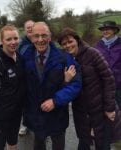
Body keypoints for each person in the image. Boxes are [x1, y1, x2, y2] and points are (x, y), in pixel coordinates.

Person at [58, 27, 121, 150]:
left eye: (70, 41)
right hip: (81, 111)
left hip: (100, 108)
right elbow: (66, 90)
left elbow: (108, 79)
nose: (68, 45)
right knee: (84, 141)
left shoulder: (93, 53)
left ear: (77, 40)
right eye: (64, 44)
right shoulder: (66, 60)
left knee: (102, 143)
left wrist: (109, 108)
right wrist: (66, 80)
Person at [22, 22, 82, 150]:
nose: (40, 40)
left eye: (44, 35)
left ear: (50, 37)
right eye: (36, 36)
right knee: (38, 144)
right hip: (35, 114)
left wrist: (56, 100)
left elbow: (75, 84)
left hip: (57, 114)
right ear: (31, 37)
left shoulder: (64, 57)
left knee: (58, 145)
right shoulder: (24, 56)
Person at [95, 20, 121, 110]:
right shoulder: (97, 46)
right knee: (106, 112)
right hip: (103, 86)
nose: (105, 31)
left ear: (114, 30)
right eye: (103, 29)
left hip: (119, 86)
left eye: (108, 29)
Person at [18, 20, 35, 135]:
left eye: (31, 27)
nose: (29, 29)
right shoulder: (21, 44)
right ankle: (26, 124)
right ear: (25, 30)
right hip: (25, 78)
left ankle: (38, 125)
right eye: (27, 27)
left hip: (39, 77)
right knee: (26, 104)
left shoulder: (40, 39)